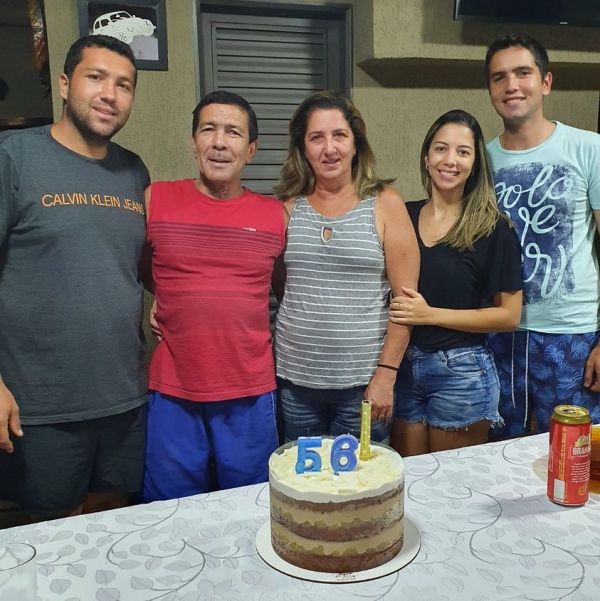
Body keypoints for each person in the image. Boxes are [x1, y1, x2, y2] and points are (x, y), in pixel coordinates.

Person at [0, 35, 149, 518]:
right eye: (96, 77)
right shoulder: (14, 157)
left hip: (124, 395)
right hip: (42, 404)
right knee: (51, 529)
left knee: (115, 515)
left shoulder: (133, 171)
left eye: (123, 85)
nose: (110, 94)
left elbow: (131, 265)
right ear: (65, 84)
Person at [143, 91, 286, 501]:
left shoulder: (275, 215)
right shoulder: (156, 200)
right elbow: (141, 270)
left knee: (249, 505)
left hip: (248, 391)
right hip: (173, 391)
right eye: (208, 129)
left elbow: (286, 288)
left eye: (233, 132)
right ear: (194, 142)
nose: (220, 142)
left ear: (251, 149)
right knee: (170, 508)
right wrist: (167, 299)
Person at [274, 91, 419, 443]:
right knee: (302, 473)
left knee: (362, 474)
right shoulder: (287, 208)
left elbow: (405, 303)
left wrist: (386, 374)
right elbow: (281, 286)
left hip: (363, 385)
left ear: (356, 144)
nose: (330, 148)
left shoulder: (385, 204)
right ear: (303, 147)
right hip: (296, 382)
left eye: (339, 135)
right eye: (316, 137)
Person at [484, 33, 600, 439]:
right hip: (500, 333)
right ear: (490, 89)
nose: (511, 85)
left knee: (575, 454)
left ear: (545, 82)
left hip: (573, 334)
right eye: (499, 77)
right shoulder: (480, 161)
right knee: (498, 452)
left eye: (523, 73)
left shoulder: (588, 148)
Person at [388, 110, 522, 456]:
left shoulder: (494, 228)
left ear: (475, 164)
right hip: (404, 367)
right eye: (441, 148)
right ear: (426, 156)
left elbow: (509, 316)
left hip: (461, 371)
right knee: (410, 478)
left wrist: (430, 314)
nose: (450, 160)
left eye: (463, 152)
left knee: (448, 482)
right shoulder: (402, 216)